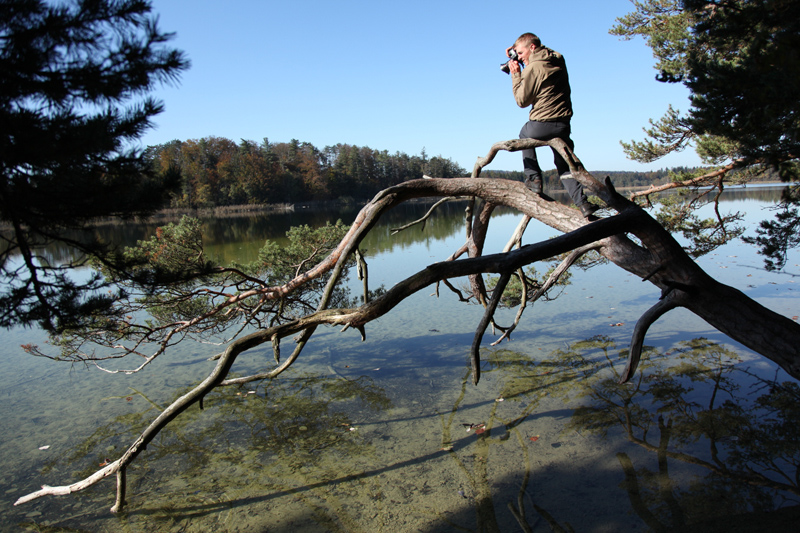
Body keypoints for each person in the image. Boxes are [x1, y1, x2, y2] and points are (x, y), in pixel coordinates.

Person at [506, 32, 598, 218]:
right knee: (563, 164)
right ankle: (583, 203)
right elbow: (539, 56)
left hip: (543, 124)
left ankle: (533, 179)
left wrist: (516, 75)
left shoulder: (532, 68)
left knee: (524, 133)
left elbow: (522, 101)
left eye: (521, 53)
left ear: (532, 48)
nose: (520, 57)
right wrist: (518, 52)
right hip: (563, 125)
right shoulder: (557, 59)